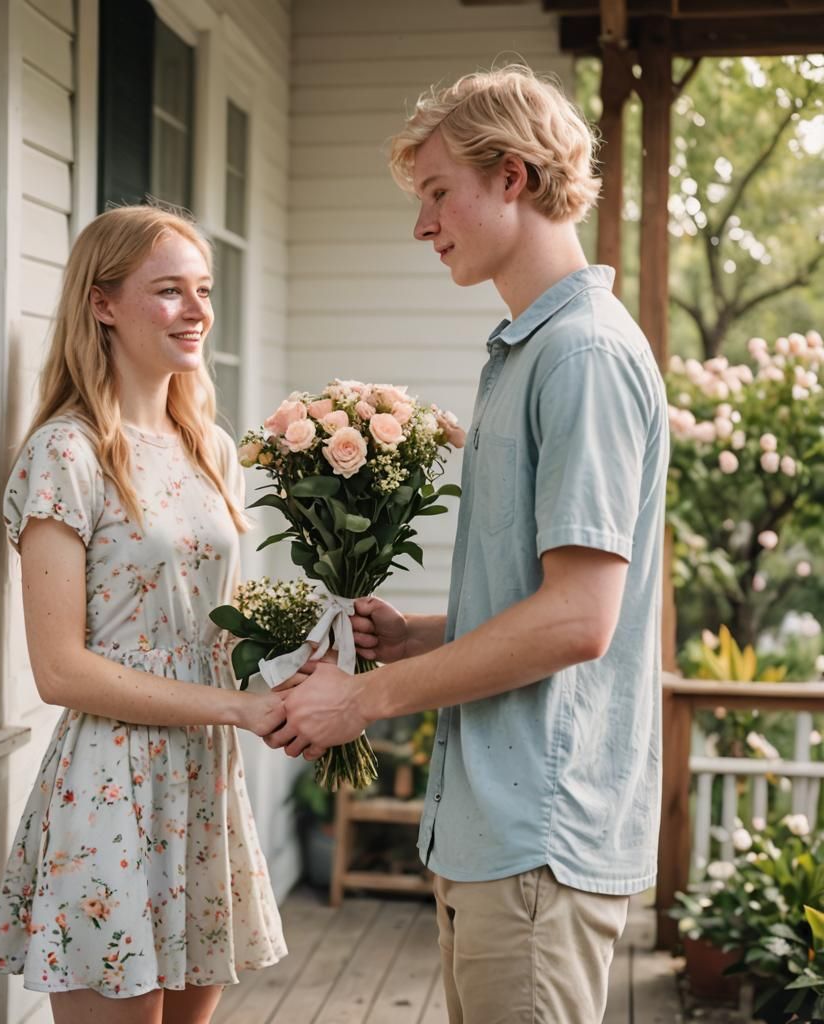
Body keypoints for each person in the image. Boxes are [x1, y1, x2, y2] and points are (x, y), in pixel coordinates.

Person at [266, 65, 670, 1023]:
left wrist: (362, 699)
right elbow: (543, 598)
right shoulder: (526, 352)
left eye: (440, 193)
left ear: (514, 177)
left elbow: (579, 620)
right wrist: (421, 636)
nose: (424, 224)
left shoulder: (582, 355)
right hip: (492, 837)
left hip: (538, 841)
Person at [0, 205, 287, 1024]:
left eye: (204, 290)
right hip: (110, 784)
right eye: (169, 292)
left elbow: (209, 621)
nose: (197, 311)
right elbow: (60, 671)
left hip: (203, 777)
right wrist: (241, 708)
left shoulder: (211, 447)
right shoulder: (66, 453)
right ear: (103, 303)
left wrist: (304, 651)